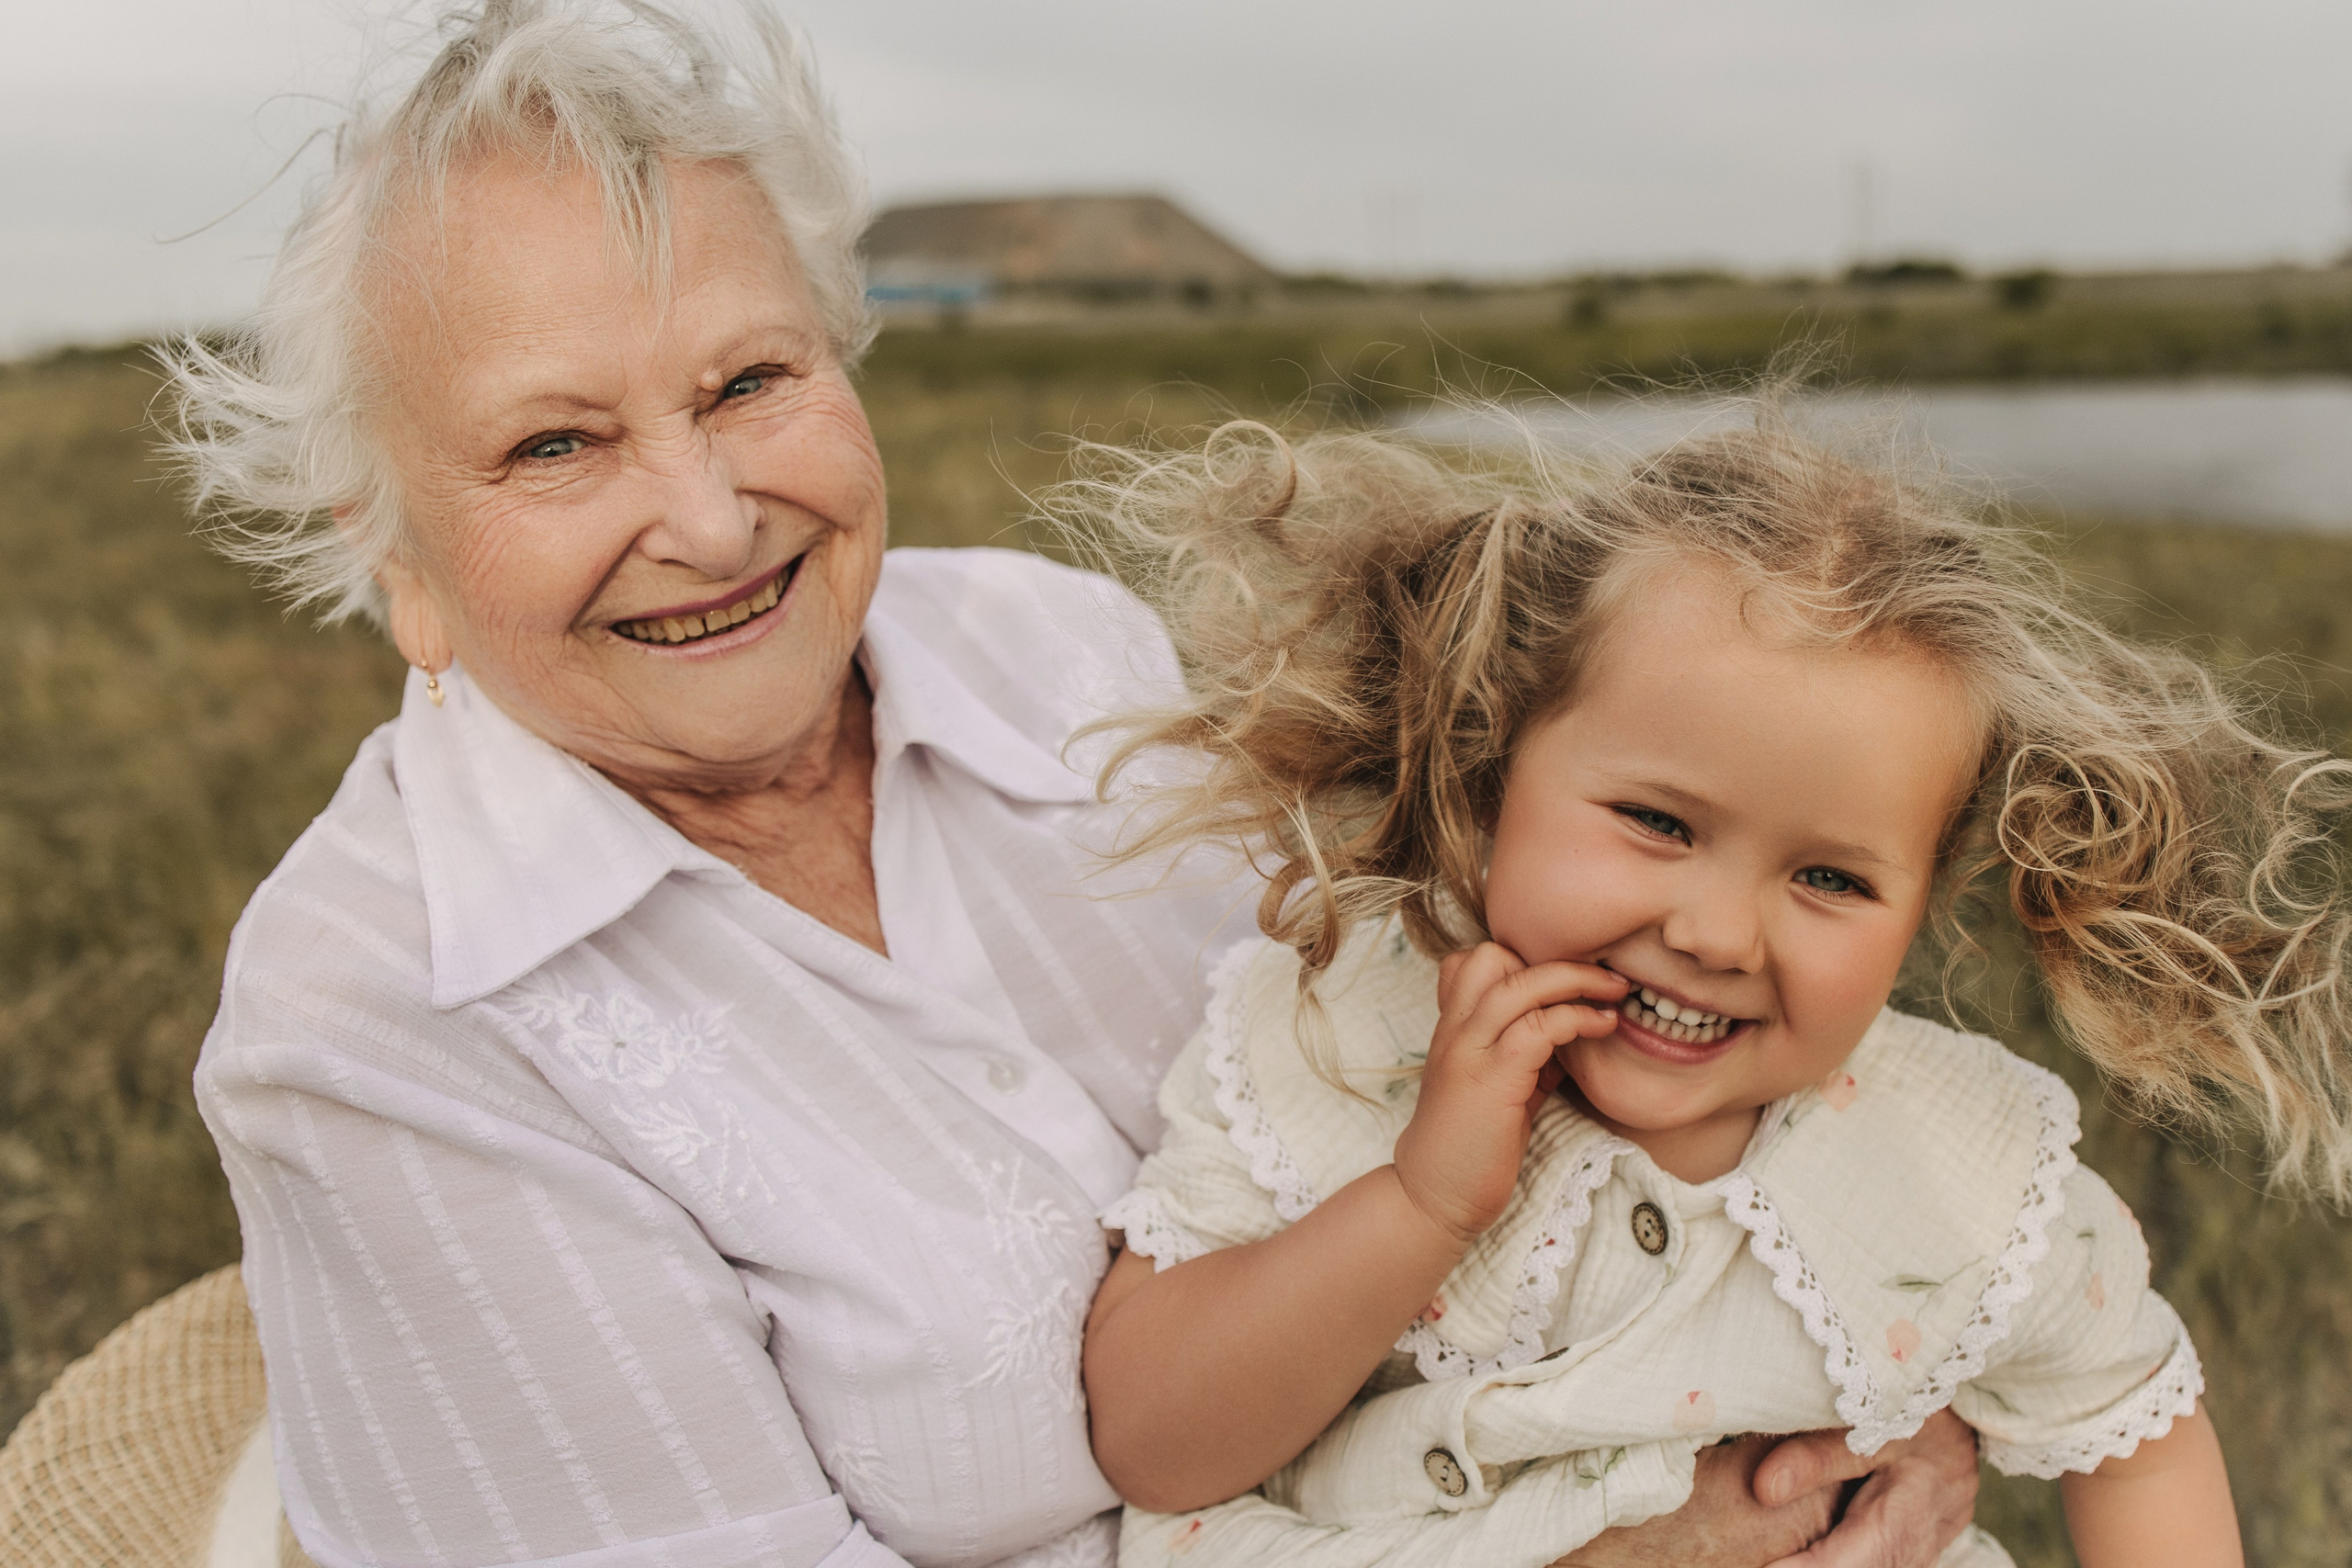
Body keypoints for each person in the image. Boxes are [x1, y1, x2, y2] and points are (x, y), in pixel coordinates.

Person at [169, 2, 1989, 1563]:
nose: (712, 515)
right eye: (556, 441)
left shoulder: (1060, 655)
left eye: (746, 380)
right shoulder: (373, 1020)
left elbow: (1465, 1097)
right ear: (397, 555)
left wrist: (1848, 1388)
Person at [1076, 417, 2352, 1566]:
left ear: (1923, 905)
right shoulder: (1330, 1036)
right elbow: (1154, 1442)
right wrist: (1419, 1201)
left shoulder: (1965, 1170)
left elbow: (2136, 1424)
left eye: (1832, 881)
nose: (1718, 933)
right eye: (1657, 822)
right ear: (1491, 773)